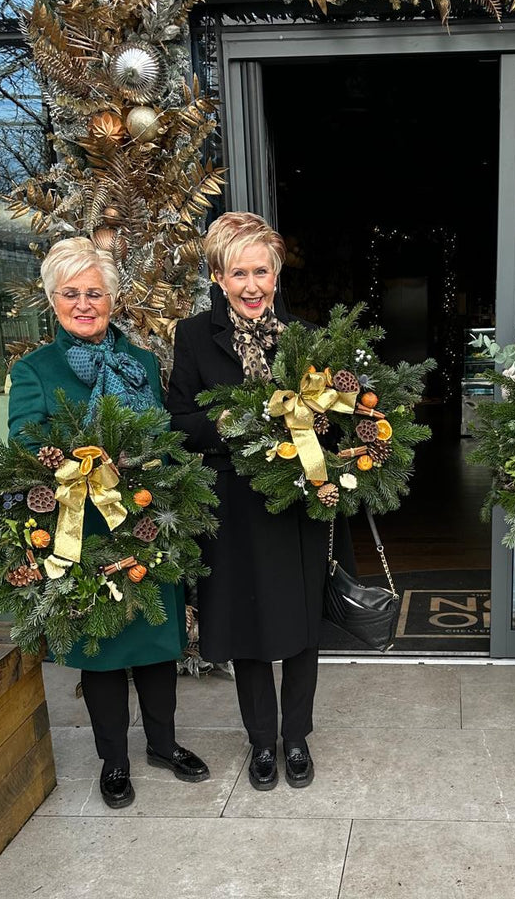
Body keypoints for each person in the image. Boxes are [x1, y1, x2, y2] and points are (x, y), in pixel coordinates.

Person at [8, 237, 208, 809]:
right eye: (70, 293)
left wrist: (170, 494)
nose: (84, 303)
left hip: (144, 516)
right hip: (81, 527)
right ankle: (114, 761)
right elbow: (25, 441)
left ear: (113, 299)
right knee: (102, 649)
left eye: (94, 292)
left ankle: (164, 745)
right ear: (52, 301)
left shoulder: (140, 361)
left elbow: (163, 436)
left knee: (156, 641)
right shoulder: (35, 370)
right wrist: (85, 457)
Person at [167, 212, 353, 791]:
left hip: (297, 503)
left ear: (276, 274)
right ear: (219, 277)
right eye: (238, 272)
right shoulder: (195, 335)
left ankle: (295, 738)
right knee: (247, 628)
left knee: (299, 630)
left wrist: (329, 418)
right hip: (234, 506)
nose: (252, 286)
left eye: (262, 272)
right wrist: (228, 422)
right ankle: (261, 743)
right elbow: (178, 421)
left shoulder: (306, 337)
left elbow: (339, 426)